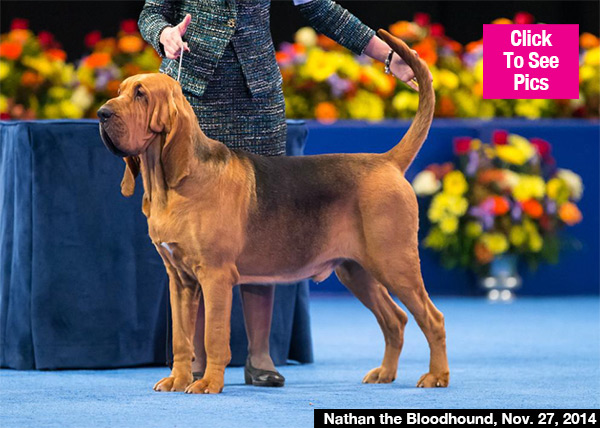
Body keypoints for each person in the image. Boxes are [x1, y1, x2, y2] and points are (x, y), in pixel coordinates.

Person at [138, 0, 421, 388]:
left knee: (261, 229)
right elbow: (151, 12)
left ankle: (260, 355)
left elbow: (319, 6)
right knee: (196, 243)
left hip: (257, 104)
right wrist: (163, 34)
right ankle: (196, 362)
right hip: (191, 104)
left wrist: (386, 55)